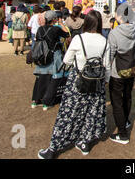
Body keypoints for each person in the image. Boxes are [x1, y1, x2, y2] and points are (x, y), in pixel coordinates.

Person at [38, 10, 111, 159]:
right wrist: (106, 82)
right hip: (97, 83)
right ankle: (85, 142)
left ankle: (54, 148)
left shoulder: (79, 39)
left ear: (87, 22)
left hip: (78, 81)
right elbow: (107, 66)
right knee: (92, 113)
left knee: (69, 114)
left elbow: (67, 60)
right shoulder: (105, 41)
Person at [108, 3, 135, 144]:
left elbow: (110, 54)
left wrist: (107, 70)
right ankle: (126, 121)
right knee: (127, 97)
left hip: (117, 72)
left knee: (117, 102)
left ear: (120, 16)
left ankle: (122, 134)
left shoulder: (114, 32)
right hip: (132, 69)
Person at [32, 11, 70, 111]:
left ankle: (35, 100)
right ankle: (47, 102)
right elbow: (67, 34)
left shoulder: (40, 29)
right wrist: (61, 23)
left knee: (40, 78)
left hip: (41, 55)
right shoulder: (56, 29)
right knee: (54, 79)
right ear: (54, 19)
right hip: (53, 56)